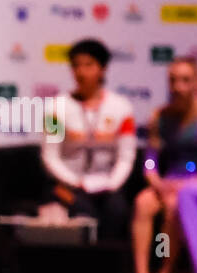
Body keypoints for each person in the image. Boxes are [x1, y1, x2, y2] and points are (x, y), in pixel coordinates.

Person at [129, 58, 197, 273]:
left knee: (173, 206)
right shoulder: (160, 116)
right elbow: (150, 158)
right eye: (173, 80)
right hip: (167, 182)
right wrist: (154, 179)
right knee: (143, 203)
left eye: (185, 80)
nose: (178, 87)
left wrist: (193, 182)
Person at [39, 38, 137, 243]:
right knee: (82, 210)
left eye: (88, 65)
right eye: (76, 66)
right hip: (68, 186)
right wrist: (77, 182)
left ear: (103, 69)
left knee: (117, 210)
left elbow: (126, 156)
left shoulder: (122, 108)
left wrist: (113, 183)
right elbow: (50, 157)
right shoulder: (55, 109)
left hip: (107, 184)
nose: (81, 72)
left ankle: (110, 268)